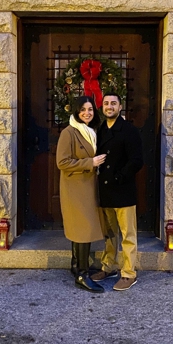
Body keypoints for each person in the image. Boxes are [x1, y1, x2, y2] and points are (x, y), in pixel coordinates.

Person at [90, 92, 143, 291]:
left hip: (123, 190)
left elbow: (137, 160)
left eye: (113, 103)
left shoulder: (129, 130)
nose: (109, 106)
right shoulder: (100, 130)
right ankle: (108, 266)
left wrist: (120, 176)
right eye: (106, 103)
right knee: (109, 234)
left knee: (127, 234)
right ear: (102, 107)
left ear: (120, 107)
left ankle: (128, 273)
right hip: (105, 191)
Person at [56, 95, 107, 293]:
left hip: (88, 187)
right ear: (76, 112)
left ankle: (76, 265)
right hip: (75, 189)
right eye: (83, 109)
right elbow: (62, 162)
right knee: (83, 229)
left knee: (81, 228)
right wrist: (90, 163)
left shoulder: (91, 131)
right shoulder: (69, 133)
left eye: (91, 109)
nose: (87, 113)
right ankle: (82, 275)